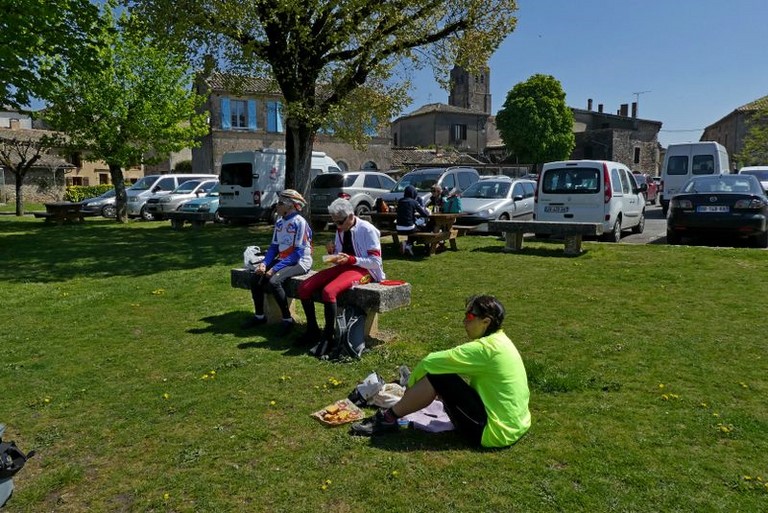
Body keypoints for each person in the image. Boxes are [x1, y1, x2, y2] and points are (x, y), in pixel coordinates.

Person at [351, 295, 531, 449]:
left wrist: (410, 386)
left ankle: (387, 419)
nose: (464, 321)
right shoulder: (501, 341)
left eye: (469, 316)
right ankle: (394, 414)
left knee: (437, 375)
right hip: (516, 425)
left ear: (486, 322)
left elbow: (429, 362)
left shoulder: (485, 349)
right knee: (443, 376)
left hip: (493, 433)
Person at [296, 198, 385, 347]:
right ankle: (312, 330)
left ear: (350, 216)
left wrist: (351, 259)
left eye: (339, 222)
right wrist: (332, 253)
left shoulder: (368, 230)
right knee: (304, 287)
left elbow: (376, 262)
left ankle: (328, 335)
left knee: (329, 291)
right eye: (334, 222)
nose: (337, 226)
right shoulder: (341, 229)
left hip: (366, 270)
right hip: (346, 267)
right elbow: (340, 256)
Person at [241, 189, 313, 335]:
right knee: (255, 278)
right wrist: (264, 264)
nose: (277, 205)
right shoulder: (279, 222)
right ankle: (259, 316)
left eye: (280, 203)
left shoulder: (300, 222)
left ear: (290, 206)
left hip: (300, 262)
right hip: (284, 260)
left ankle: (287, 319)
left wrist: (274, 269)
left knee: (274, 281)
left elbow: (297, 253)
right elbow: (274, 247)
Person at [395, 185, 430, 256]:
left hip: (398, 228)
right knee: (424, 229)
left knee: (414, 227)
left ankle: (408, 244)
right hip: (409, 227)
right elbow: (424, 214)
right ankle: (410, 245)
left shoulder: (400, 201)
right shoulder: (414, 202)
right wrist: (428, 211)